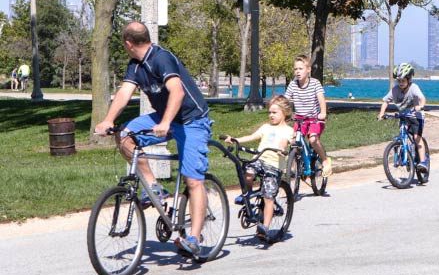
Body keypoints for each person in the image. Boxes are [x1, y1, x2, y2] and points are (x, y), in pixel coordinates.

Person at [94, 22, 212, 258]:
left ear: (128, 43)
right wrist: (108, 120)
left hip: (192, 120)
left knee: (193, 180)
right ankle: (155, 189)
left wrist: (166, 122)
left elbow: (177, 92)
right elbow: (125, 93)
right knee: (125, 135)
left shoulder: (162, 58)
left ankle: (194, 238)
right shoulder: (135, 65)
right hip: (163, 116)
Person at [224, 95, 294, 240]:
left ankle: (265, 227)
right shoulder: (266, 127)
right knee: (248, 172)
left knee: (268, 197)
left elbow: (283, 142)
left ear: (284, 113)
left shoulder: (288, 130)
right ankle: (247, 196)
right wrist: (235, 140)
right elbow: (251, 137)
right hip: (259, 159)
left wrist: (281, 149)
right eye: (270, 112)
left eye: (275, 112)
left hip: (273, 166)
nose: (271, 115)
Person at [285, 55, 332, 177]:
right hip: (300, 120)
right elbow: (286, 101)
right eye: (296, 69)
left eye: (300, 68)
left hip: (315, 119)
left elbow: (321, 99)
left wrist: (323, 113)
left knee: (313, 139)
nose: (298, 72)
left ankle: (325, 160)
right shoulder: (293, 85)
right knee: (294, 140)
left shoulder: (315, 83)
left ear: (308, 70)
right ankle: (293, 167)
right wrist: (283, 112)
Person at [377, 62, 428, 171]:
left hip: (416, 116)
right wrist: (381, 113)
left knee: (416, 138)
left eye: (403, 81)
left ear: (409, 79)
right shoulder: (395, 90)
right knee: (402, 134)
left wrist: (421, 106)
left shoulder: (414, 88)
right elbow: (385, 101)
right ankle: (405, 155)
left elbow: (422, 98)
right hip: (403, 116)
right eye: (399, 81)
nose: (401, 83)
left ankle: (423, 162)